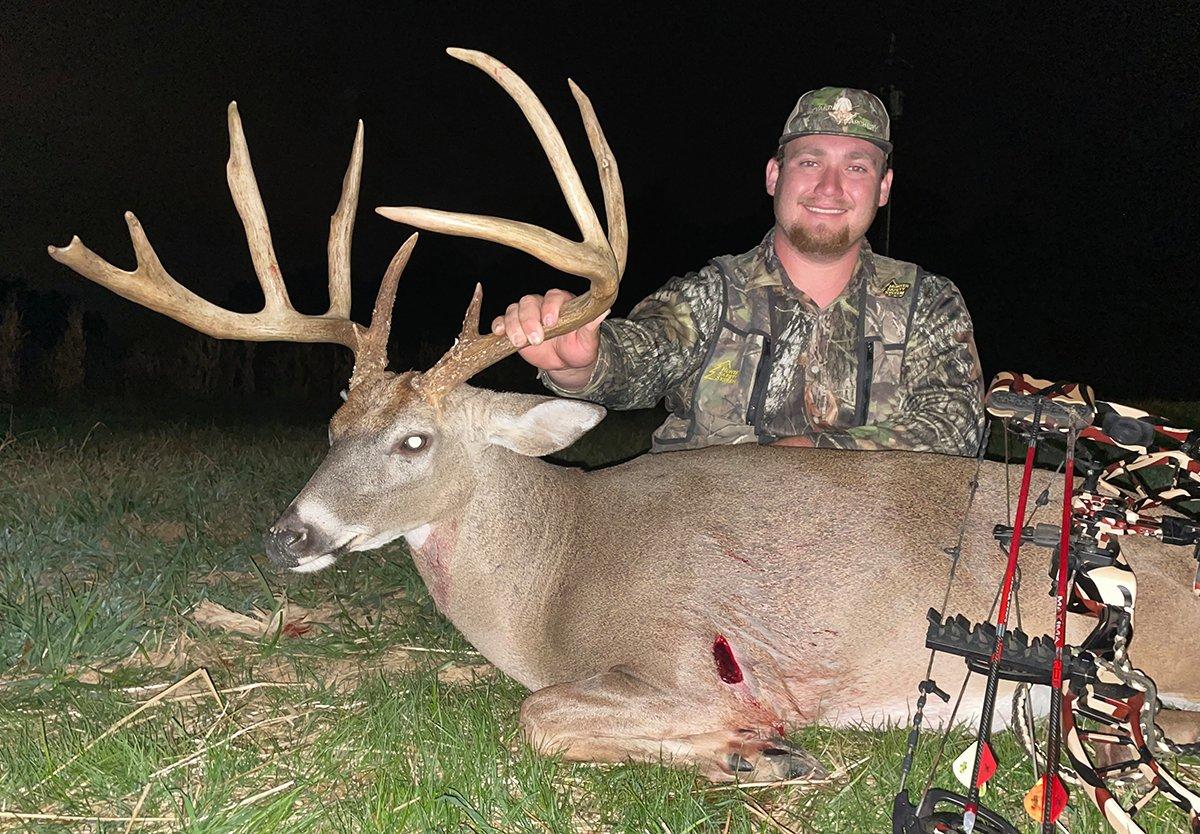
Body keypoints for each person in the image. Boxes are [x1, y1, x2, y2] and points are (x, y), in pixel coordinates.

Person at [492, 87, 985, 455]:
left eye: (857, 167)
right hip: (708, 541)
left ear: (883, 187)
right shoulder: (714, 293)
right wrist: (583, 363)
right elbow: (645, 352)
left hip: (865, 546)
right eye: (810, 162)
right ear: (775, 176)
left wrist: (807, 455)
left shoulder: (927, 302)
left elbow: (956, 426)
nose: (830, 187)